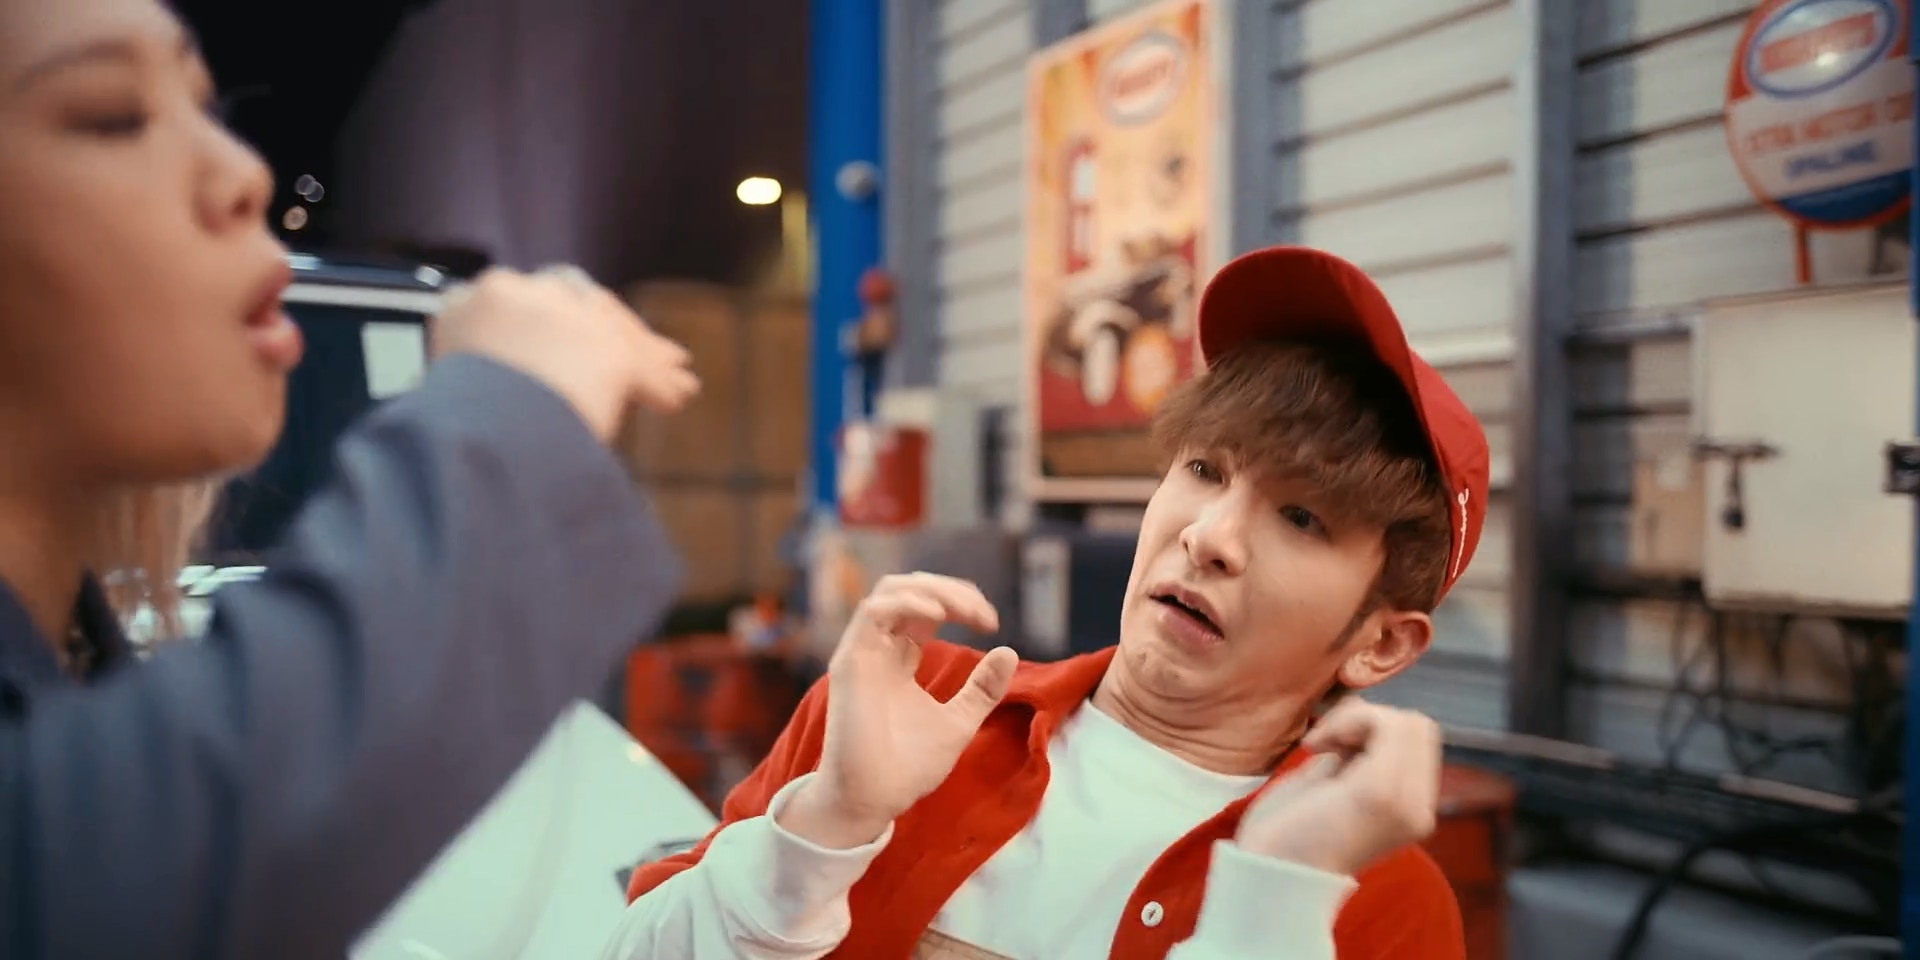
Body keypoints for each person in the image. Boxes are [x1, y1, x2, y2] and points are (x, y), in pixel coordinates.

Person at [0, 1, 700, 957]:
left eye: (205, 112)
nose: (244, 171)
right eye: (112, 115)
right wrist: (505, 419)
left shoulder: (86, 660)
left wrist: (818, 826)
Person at [606, 245, 1491, 960]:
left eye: (1302, 518)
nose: (1209, 535)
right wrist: (829, 821)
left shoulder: (1378, 900)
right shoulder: (905, 707)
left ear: (1381, 643)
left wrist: (1278, 900)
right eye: (1204, 469)